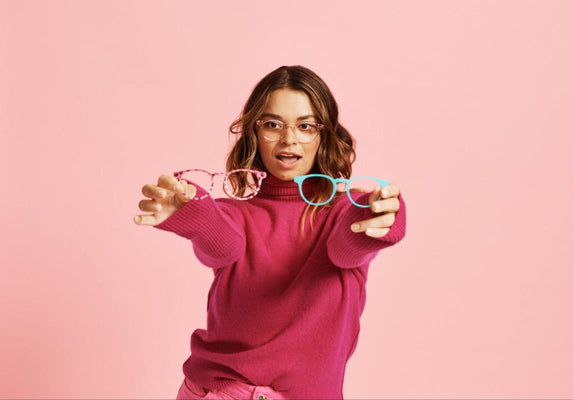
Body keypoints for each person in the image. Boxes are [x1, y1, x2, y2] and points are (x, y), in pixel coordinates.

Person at [133, 65, 407, 400]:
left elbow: (346, 246)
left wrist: (381, 219)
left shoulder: (342, 212)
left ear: (324, 135)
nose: (289, 138)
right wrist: (195, 214)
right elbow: (222, 244)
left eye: (305, 126)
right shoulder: (234, 214)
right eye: (273, 124)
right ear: (254, 132)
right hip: (222, 390)